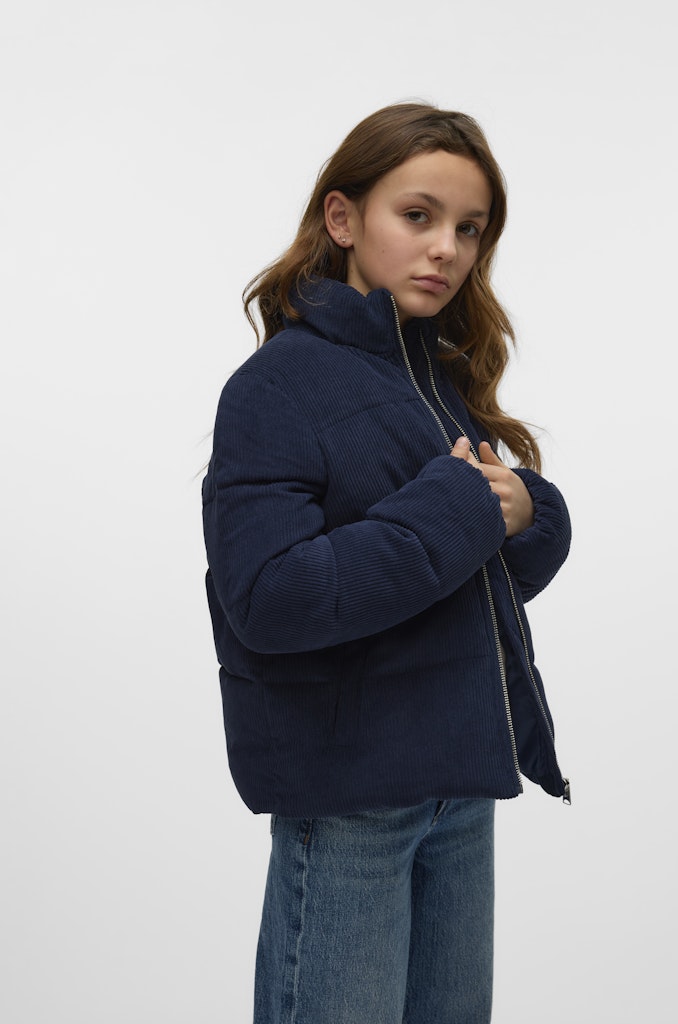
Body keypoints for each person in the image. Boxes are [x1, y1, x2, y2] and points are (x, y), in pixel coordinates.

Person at [202, 102, 571, 1024]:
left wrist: (531, 514)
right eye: (417, 215)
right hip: (351, 803)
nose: (446, 248)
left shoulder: (435, 378)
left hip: (459, 787)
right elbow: (269, 600)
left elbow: (465, 585)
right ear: (343, 218)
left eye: (469, 229)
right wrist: (459, 507)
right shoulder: (275, 388)